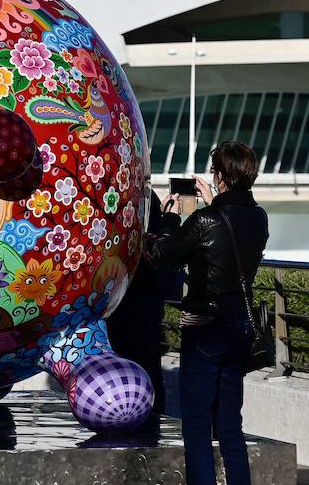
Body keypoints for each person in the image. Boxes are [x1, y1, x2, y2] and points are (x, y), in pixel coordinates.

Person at [148, 141, 268, 485]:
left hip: (205, 330)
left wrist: (170, 217)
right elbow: (233, 237)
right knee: (231, 426)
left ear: (221, 176)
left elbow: (163, 255)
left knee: (198, 428)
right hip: (240, 330)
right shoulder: (259, 218)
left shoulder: (204, 219)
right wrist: (216, 203)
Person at [106, 161, 168, 423]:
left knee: (124, 358)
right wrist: (168, 220)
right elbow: (161, 247)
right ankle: (152, 415)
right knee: (149, 364)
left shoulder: (118, 199)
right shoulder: (148, 198)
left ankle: (128, 415)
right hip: (144, 300)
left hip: (121, 301)